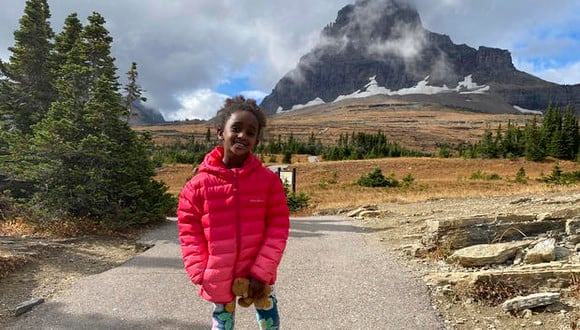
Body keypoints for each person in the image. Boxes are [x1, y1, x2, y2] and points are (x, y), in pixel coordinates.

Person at [177, 96, 290, 330]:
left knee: (270, 324)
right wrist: (200, 270)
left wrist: (262, 272)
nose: (242, 136)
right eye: (236, 129)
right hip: (218, 273)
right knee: (222, 325)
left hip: (259, 272)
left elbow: (278, 227)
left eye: (250, 132)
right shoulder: (197, 185)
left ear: (256, 140)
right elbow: (189, 231)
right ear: (220, 132)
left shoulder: (268, 182)